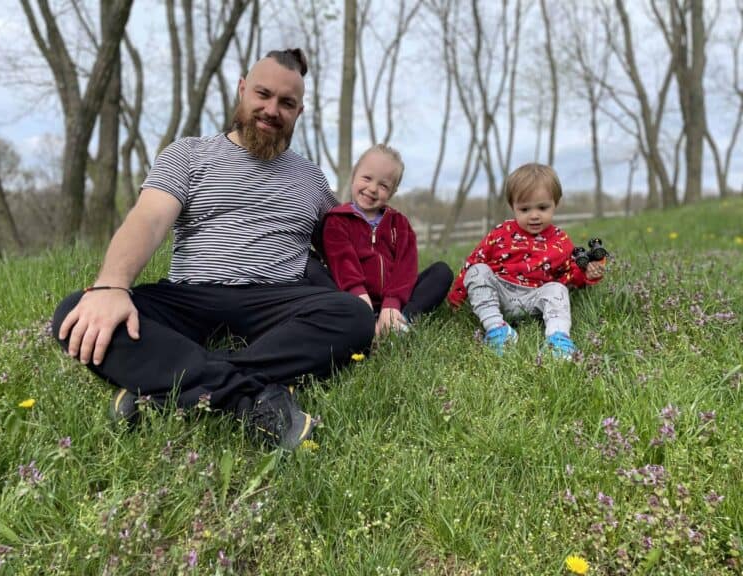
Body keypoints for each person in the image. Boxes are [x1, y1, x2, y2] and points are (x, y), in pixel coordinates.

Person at [51, 49, 375, 450]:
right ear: (242, 90)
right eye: (263, 94)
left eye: (286, 103)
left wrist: (391, 294)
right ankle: (251, 399)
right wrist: (112, 285)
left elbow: (345, 243)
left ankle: (163, 385)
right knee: (75, 312)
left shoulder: (310, 177)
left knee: (354, 317)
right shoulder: (188, 154)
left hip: (275, 305)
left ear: (299, 112)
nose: (272, 109)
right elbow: (148, 219)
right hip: (189, 298)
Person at [447, 163, 605, 358]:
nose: (534, 216)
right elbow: (474, 260)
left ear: (556, 203)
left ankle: (557, 339)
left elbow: (568, 275)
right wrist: (456, 299)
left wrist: (586, 273)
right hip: (500, 296)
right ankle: (497, 330)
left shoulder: (560, 240)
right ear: (512, 207)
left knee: (558, 289)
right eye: (524, 209)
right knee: (477, 270)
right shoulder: (500, 233)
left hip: (534, 298)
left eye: (542, 207)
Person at [321, 144, 453, 338]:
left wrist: (392, 302)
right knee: (320, 279)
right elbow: (343, 262)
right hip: (354, 299)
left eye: (383, 185)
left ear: (392, 192)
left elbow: (406, 267)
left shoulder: (399, 224)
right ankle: (366, 324)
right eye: (367, 178)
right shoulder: (337, 220)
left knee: (441, 272)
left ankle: (397, 323)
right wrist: (360, 301)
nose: (372, 189)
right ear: (354, 175)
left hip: (395, 301)